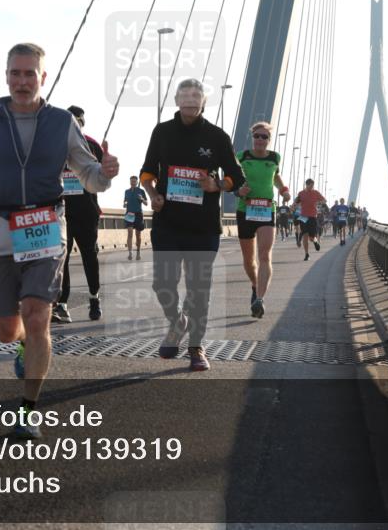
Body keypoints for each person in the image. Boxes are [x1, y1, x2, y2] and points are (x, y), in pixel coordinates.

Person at [0, 43, 119, 439]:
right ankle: (23, 344)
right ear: (6, 76)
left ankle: (28, 410)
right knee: (7, 330)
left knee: (38, 313)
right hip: (2, 229)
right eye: (16, 73)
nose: (22, 81)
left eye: (30, 74)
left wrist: (106, 173)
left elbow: (90, 176)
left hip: (46, 225)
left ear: (43, 78)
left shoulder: (62, 122)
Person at [140, 78, 245, 371]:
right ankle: (178, 322)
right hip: (167, 223)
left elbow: (237, 177)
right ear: (176, 100)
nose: (190, 98)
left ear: (203, 102)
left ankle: (196, 347)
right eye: (184, 94)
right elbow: (147, 172)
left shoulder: (217, 137)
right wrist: (152, 193)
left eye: (196, 94)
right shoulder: (162, 132)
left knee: (199, 290)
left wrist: (216, 185)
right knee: (163, 284)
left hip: (203, 227)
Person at [52, 105, 104, 324]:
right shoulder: (53, 144)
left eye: (77, 122)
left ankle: (94, 298)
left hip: (86, 211)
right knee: (61, 259)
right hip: (61, 210)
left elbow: (101, 178)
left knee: (89, 256)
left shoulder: (92, 145)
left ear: (82, 124)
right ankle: (62, 304)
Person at [234, 122, 289, 319]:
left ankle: (259, 299)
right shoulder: (241, 156)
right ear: (252, 137)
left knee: (265, 255)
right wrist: (239, 190)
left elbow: (276, 176)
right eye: (257, 136)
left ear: (269, 140)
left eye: (264, 137)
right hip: (245, 209)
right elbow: (232, 179)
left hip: (266, 210)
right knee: (249, 260)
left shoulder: (275, 157)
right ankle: (255, 284)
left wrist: (284, 190)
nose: (260, 139)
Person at [292, 178, 326, 261]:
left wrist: (319, 202)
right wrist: (293, 206)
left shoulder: (316, 193)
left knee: (311, 237)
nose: (312, 187)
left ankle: (315, 241)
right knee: (305, 235)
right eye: (310, 186)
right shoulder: (301, 193)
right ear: (306, 185)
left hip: (312, 216)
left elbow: (324, 200)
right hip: (303, 216)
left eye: (312, 186)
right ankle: (306, 254)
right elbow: (296, 201)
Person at [123, 175, 149, 260]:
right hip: (129, 214)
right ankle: (130, 253)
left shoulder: (141, 191)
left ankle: (138, 252)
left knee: (138, 235)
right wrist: (125, 204)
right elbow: (125, 202)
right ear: (130, 182)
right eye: (131, 181)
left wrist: (142, 199)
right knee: (130, 232)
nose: (133, 183)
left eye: (134, 181)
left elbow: (146, 203)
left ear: (137, 182)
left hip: (138, 214)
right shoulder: (126, 191)